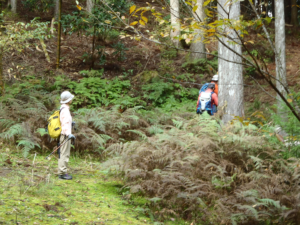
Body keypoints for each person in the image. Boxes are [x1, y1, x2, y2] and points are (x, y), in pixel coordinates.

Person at [58, 91, 76, 180]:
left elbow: (65, 122)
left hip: (65, 135)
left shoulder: (64, 108)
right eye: (70, 98)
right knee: (64, 154)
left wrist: (71, 123)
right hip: (65, 135)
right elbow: (64, 124)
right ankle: (62, 173)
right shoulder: (65, 110)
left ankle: (62, 172)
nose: (72, 99)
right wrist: (69, 134)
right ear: (68, 100)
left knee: (64, 153)